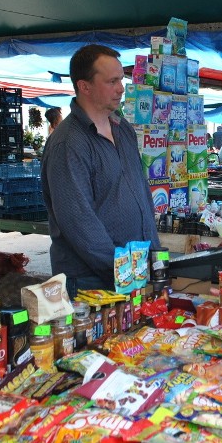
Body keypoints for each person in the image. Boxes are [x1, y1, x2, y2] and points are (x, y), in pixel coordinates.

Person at [41, 44, 160, 298]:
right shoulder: (68, 143)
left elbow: (141, 193)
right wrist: (120, 271)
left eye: (122, 79)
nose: (121, 88)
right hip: (91, 283)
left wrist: (154, 260)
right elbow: (78, 221)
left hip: (133, 274)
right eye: (112, 81)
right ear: (85, 86)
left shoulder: (123, 128)